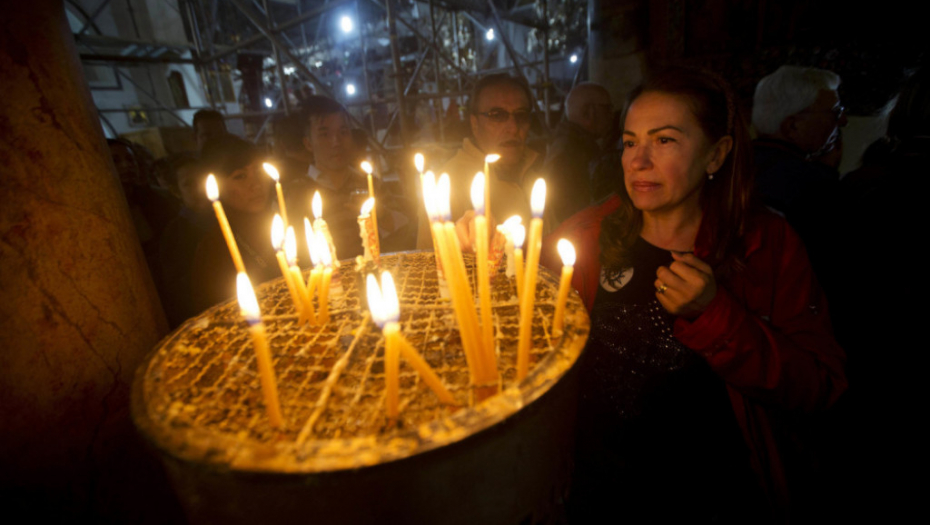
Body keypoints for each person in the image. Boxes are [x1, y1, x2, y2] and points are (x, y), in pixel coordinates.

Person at [541, 68, 847, 523]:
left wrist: (717, 316)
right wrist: (490, 271)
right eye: (629, 141)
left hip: (716, 493)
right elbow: (527, 346)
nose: (637, 161)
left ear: (716, 154)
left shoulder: (766, 245)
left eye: (664, 141)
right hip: (597, 491)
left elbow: (820, 387)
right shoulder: (583, 239)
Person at [416, 73, 543, 249]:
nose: (513, 128)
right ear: (475, 124)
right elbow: (426, 269)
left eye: (521, 115)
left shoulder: (534, 174)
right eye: (497, 115)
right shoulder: (447, 185)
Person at [751, 66, 848, 268]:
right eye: (835, 113)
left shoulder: (730, 162)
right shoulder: (813, 184)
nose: (843, 121)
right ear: (792, 126)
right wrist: (825, 176)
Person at [189, 135, 278, 313]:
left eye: (259, 172)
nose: (256, 184)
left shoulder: (284, 220)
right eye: (240, 176)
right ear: (218, 185)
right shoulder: (212, 249)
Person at [544, 82, 614, 223]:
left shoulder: (576, 147)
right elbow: (576, 215)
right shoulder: (571, 155)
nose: (611, 115)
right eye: (607, 109)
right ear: (588, 112)